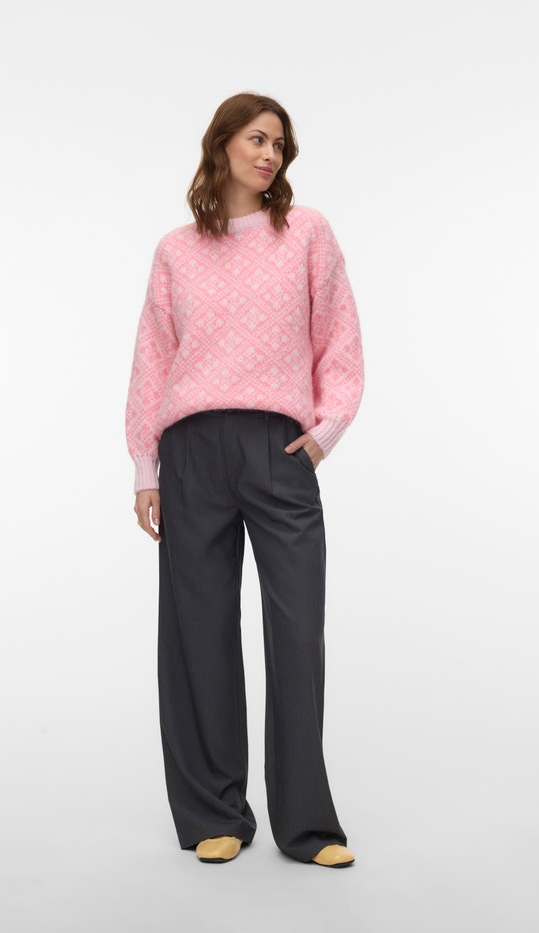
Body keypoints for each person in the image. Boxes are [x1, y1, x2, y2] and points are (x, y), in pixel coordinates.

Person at [125, 92, 364, 868]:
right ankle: (214, 812)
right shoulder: (176, 250)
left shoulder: (306, 233)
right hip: (190, 450)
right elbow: (153, 358)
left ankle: (308, 824)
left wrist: (324, 433)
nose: (270, 155)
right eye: (258, 139)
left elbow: (339, 338)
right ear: (222, 143)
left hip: (277, 448)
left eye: (280, 145)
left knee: (297, 632)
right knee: (198, 632)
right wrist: (146, 466)